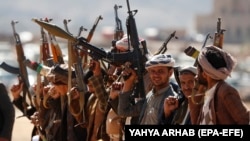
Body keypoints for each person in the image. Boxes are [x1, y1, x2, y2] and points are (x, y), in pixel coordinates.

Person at [189, 45, 250, 124]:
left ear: (204, 74)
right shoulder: (208, 92)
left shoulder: (226, 92)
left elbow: (245, 120)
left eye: (198, 70)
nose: (196, 75)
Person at [117, 53, 180, 125]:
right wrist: (128, 83)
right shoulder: (150, 95)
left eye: (160, 71)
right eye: (153, 71)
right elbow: (123, 111)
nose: (156, 75)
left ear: (170, 73)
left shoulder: (172, 100)